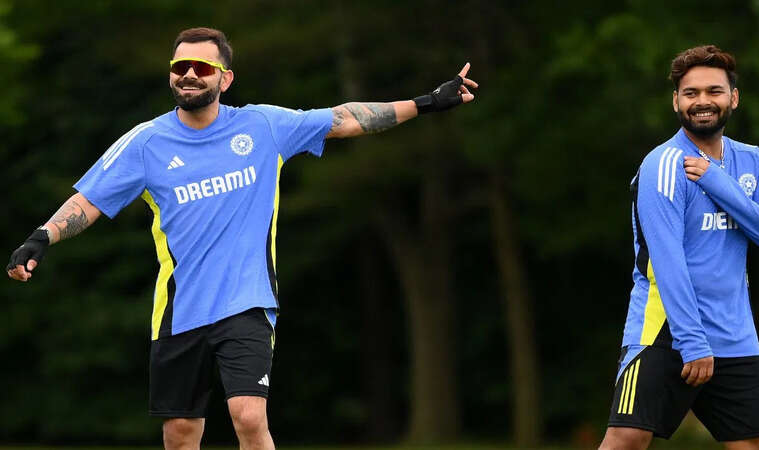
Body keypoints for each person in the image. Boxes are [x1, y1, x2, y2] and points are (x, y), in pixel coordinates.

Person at [6, 27, 477, 450]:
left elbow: (345, 118)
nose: (189, 75)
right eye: (180, 66)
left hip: (247, 301)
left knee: (249, 417)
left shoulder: (263, 126)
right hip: (179, 309)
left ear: (224, 79)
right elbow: (89, 200)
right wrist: (40, 238)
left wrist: (427, 102)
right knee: (180, 432)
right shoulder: (145, 143)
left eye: (202, 67)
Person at [598, 45, 759, 450]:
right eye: (691, 93)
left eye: (714, 91)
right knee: (626, 440)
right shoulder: (663, 164)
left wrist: (718, 184)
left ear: (733, 98)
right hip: (666, 332)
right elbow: (668, 262)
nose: (702, 101)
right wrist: (692, 342)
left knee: (755, 445)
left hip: (735, 335)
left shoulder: (752, 162)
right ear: (676, 101)